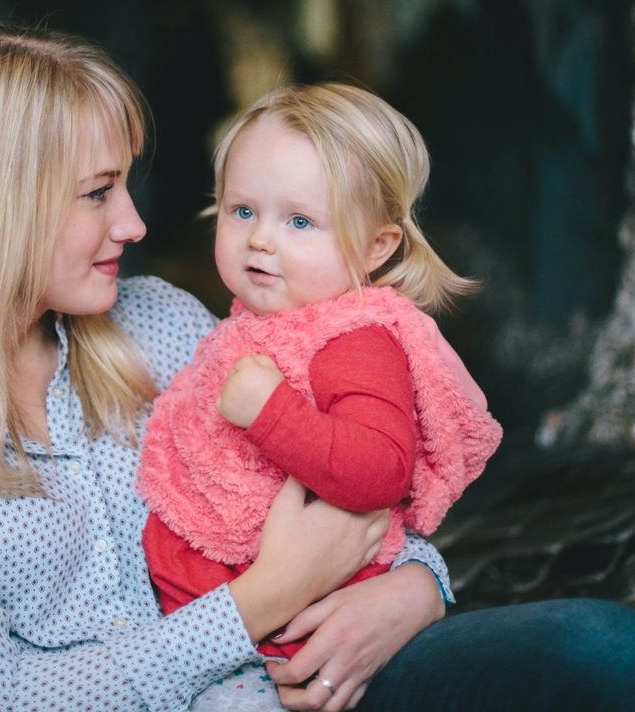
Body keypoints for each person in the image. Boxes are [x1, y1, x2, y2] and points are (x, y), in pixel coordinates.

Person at [0, 20, 635, 712]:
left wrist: (414, 594)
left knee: (607, 653)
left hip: (279, 684)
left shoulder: (169, 325)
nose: (136, 226)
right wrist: (258, 604)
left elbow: (350, 486)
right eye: (99, 194)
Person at [137, 83, 503, 668]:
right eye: (243, 211)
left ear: (377, 246)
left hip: (303, 636)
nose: (260, 238)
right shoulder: (254, 323)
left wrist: (271, 413)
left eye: (300, 221)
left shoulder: (353, 339)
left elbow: (381, 471)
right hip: (222, 625)